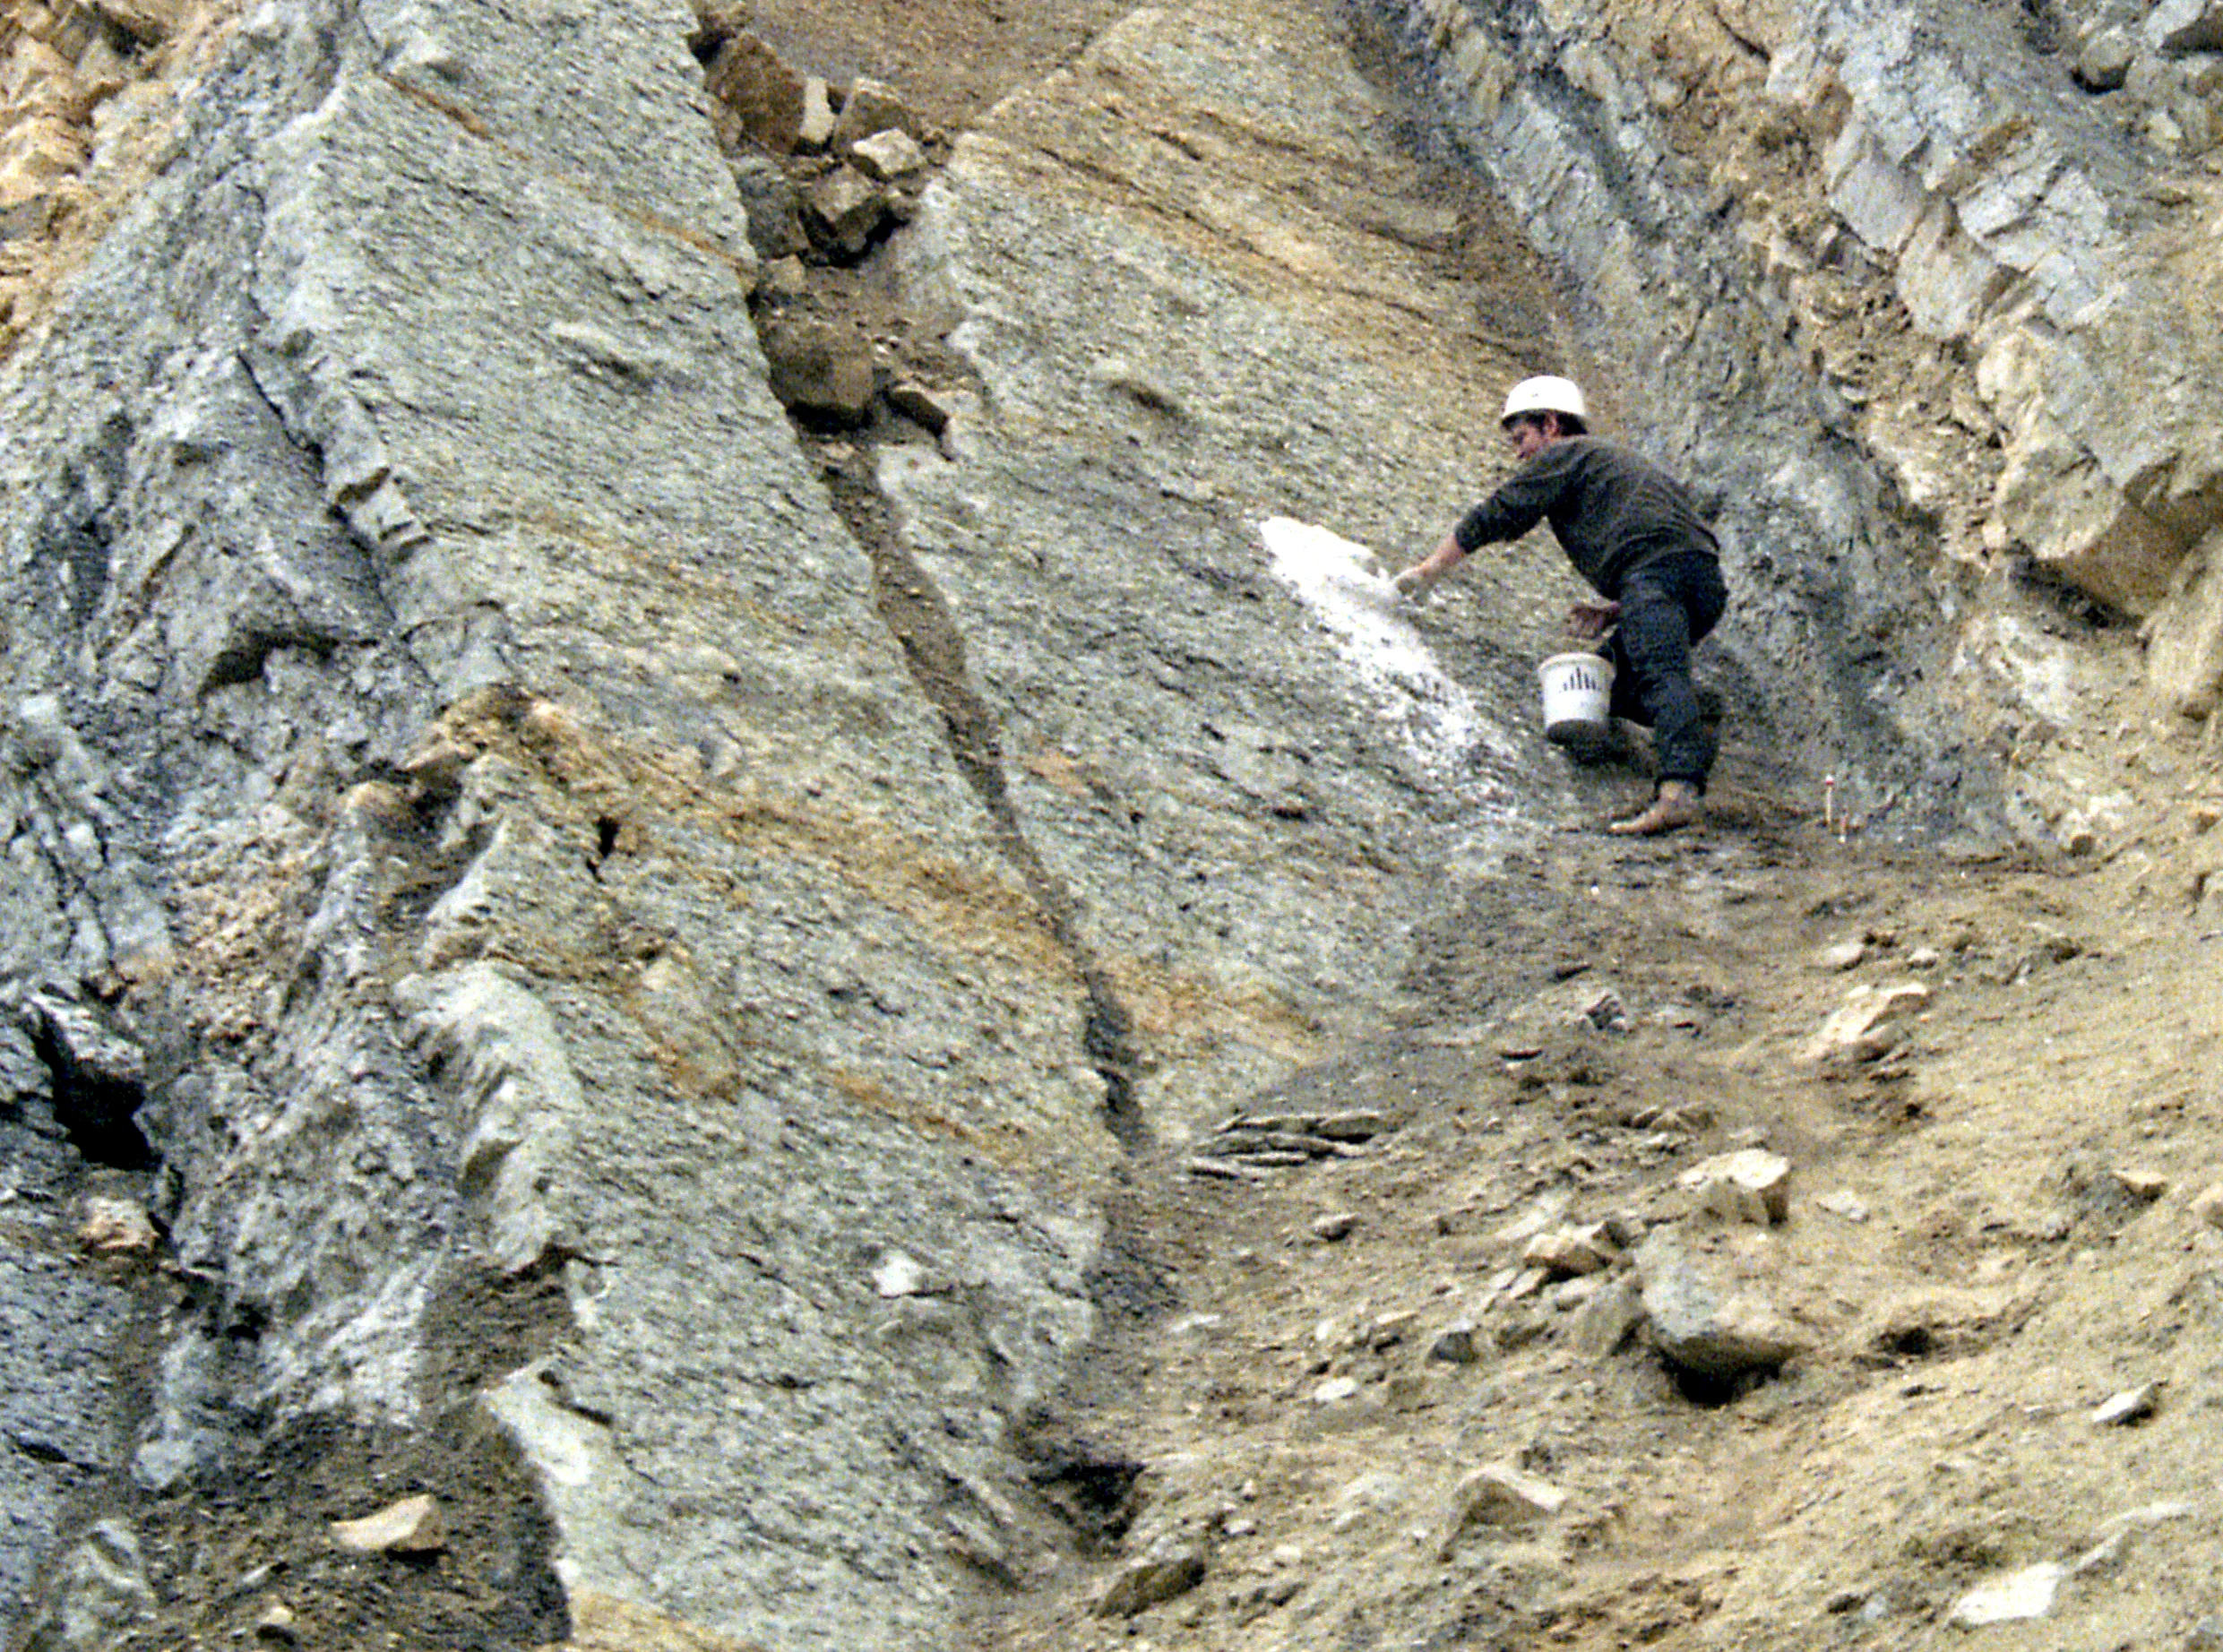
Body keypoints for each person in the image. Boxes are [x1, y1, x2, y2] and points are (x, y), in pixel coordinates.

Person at [1395, 375, 1728, 836]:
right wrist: (1618, 609)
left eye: (1522, 438)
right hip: (1697, 581)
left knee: (1658, 672)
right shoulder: (1612, 461)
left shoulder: (1566, 453)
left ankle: (1678, 793)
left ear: (1551, 424)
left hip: (1656, 576)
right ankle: (1698, 713)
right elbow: (1675, 543)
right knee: (1597, 682)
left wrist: (1429, 570)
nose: (1519, 453)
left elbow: (1499, 511)